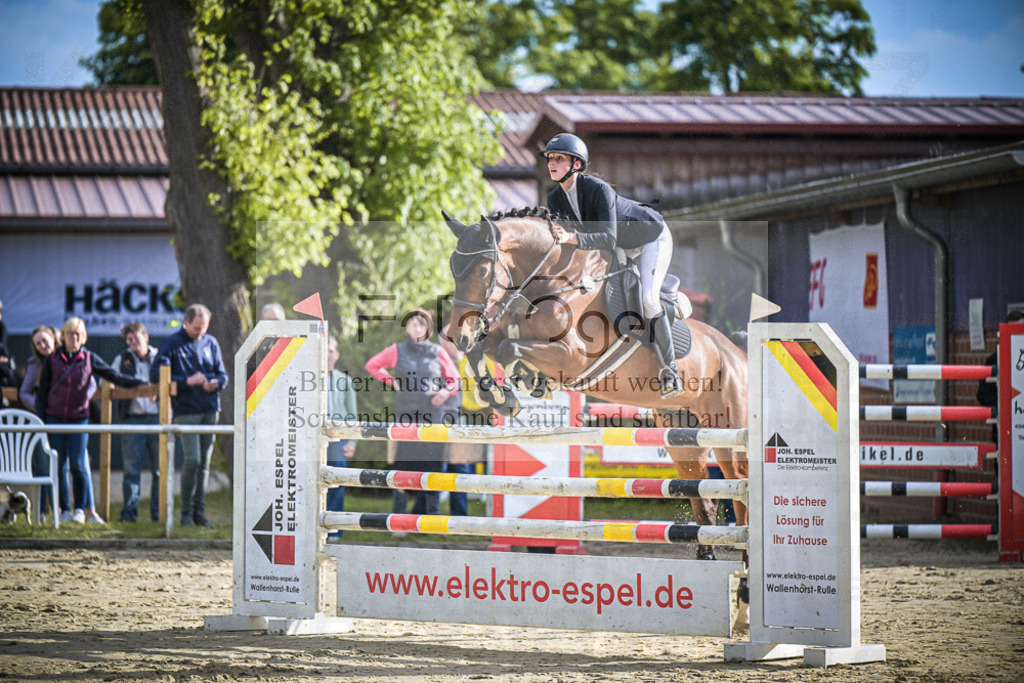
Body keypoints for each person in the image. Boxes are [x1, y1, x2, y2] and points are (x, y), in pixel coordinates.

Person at [541, 133, 681, 398]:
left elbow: (607, 236)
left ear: (577, 164)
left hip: (651, 238)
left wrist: (572, 237)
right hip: (617, 248)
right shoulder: (554, 198)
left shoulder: (598, 190)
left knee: (649, 300)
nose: (552, 163)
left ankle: (670, 370)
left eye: (559, 158)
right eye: (550, 158)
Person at [35, 317, 142, 524]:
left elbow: (114, 376)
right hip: (54, 419)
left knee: (78, 464)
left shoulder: (89, 358)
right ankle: (64, 509)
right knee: (58, 466)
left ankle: (80, 510)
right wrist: (42, 422)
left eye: (78, 334)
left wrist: (141, 384)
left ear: (83, 337)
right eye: (70, 334)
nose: (74, 338)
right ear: (63, 336)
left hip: (78, 419)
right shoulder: (53, 360)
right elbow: (42, 394)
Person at [365, 308, 458, 516]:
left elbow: (455, 381)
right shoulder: (396, 350)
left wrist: (444, 393)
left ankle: (432, 519)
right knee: (403, 467)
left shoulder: (438, 352)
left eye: (422, 324)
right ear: (407, 327)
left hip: (433, 416)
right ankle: (398, 518)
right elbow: (372, 365)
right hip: (406, 415)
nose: (417, 327)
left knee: (433, 466)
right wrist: (391, 381)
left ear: (428, 328)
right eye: (413, 324)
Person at [151, 304, 229, 528]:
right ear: (185, 323)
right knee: (193, 460)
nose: (200, 332)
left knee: (204, 462)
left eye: (204, 327)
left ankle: (199, 513)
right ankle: (185, 513)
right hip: (186, 409)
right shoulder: (172, 344)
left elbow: (222, 374)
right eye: (196, 328)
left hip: (210, 408)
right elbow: (156, 374)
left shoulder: (211, 342)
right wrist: (185, 381)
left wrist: (216, 383)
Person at [437, 324, 488, 516]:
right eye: (455, 340)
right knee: (435, 469)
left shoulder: (462, 362)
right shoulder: (435, 363)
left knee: (461, 469)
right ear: (444, 343)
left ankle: (460, 516)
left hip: (458, 421)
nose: (461, 344)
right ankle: (425, 513)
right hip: (437, 423)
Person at [113, 322, 160, 522]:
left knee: (160, 469)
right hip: (132, 418)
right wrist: (138, 386)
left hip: (158, 418)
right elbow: (107, 381)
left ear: (146, 337)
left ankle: (159, 514)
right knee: (132, 470)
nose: (134, 342)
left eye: (137, 338)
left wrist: (156, 390)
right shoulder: (121, 359)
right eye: (129, 339)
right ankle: (129, 514)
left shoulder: (160, 357)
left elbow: (171, 380)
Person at [18, 325, 60, 519]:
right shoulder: (34, 365)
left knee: (66, 467)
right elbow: (24, 392)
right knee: (42, 468)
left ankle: (63, 510)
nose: (43, 345)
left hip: (64, 418)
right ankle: (41, 512)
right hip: (42, 420)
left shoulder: (65, 358)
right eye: (38, 343)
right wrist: (40, 406)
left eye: (45, 340)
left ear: (53, 338)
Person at [325, 335, 358, 540]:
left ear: (337, 355)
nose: (328, 354)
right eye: (324, 350)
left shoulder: (344, 380)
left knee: (337, 481)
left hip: (338, 439)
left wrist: (352, 441)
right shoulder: (308, 376)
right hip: (315, 439)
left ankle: (335, 529)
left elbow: (352, 414)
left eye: (331, 350)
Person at [978, 310, 1024, 441]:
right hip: (1005, 430)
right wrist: (1003, 407)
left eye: (1022, 330)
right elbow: (983, 394)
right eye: (1013, 331)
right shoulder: (994, 361)